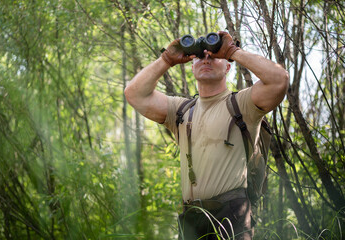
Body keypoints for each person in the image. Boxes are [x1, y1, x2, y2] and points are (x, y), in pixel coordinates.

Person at [124, 31, 289, 240]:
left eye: (213, 55)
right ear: (192, 65)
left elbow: (279, 80)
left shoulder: (242, 104)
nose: (207, 58)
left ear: (228, 66)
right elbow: (133, 93)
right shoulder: (181, 110)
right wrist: (167, 59)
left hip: (232, 215)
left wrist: (231, 51)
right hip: (192, 219)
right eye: (201, 56)